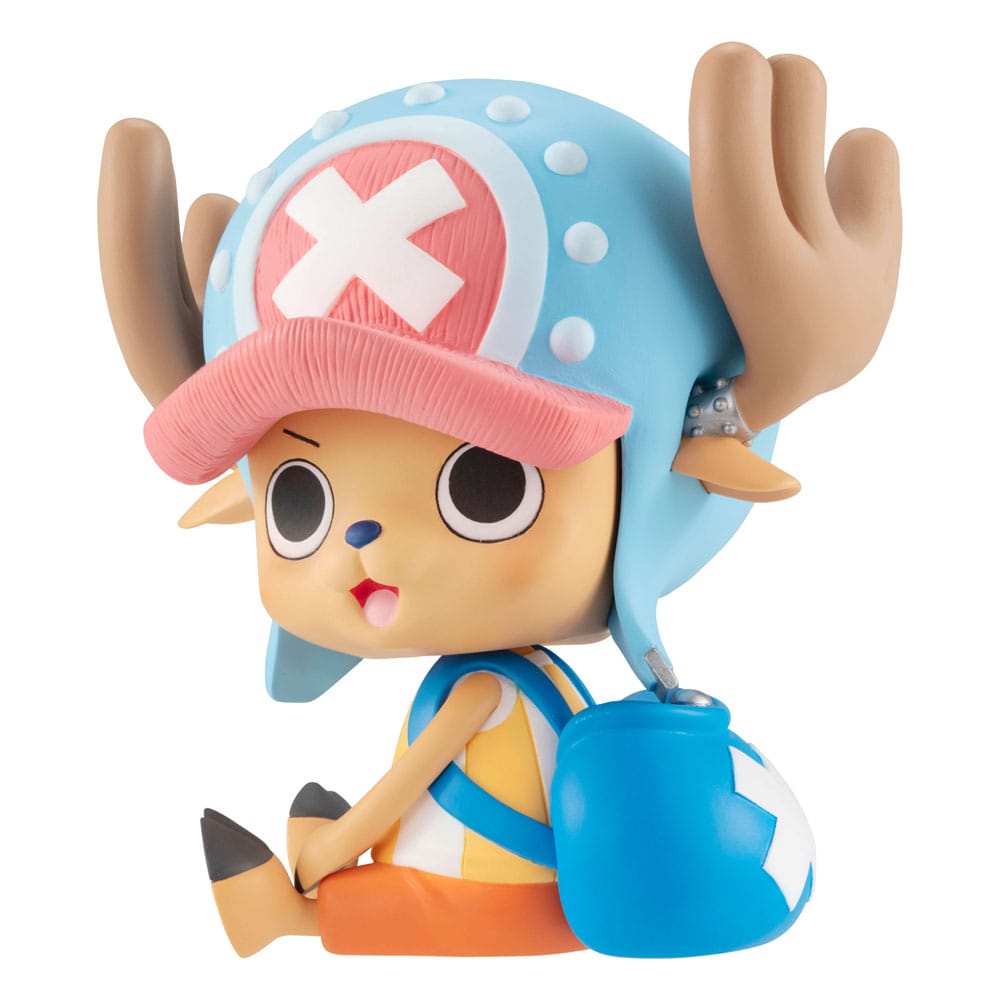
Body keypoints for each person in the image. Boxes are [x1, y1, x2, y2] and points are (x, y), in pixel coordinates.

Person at [98, 43, 901, 957]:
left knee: (393, 900)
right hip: (499, 868)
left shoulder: (483, 688)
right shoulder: (518, 685)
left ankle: (288, 918)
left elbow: (409, 785)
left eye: (486, 487)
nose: (360, 538)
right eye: (297, 500)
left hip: (497, 891)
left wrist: (333, 847)